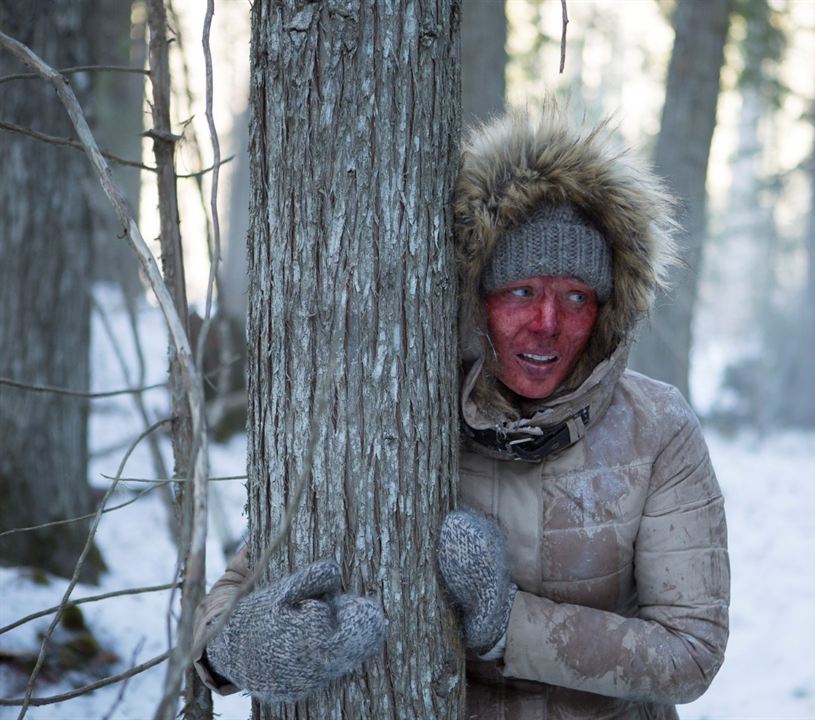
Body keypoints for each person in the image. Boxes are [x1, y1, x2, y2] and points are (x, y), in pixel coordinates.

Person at [192, 106, 730, 718]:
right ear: (476, 298)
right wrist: (231, 650)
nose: (548, 323)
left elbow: (692, 652)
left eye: (576, 297)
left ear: (606, 311)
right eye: (521, 291)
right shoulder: (398, 408)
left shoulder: (656, 428)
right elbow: (244, 578)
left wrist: (506, 620)